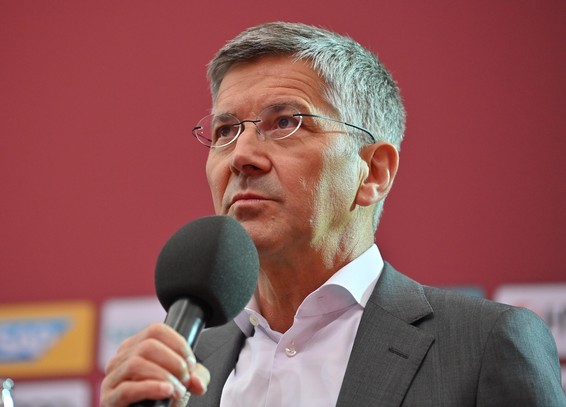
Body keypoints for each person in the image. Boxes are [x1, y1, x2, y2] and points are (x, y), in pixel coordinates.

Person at [101, 22, 565, 406]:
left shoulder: (482, 344)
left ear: (373, 172)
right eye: (225, 129)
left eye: (285, 122)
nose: (241, 155)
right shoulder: (182, 365)